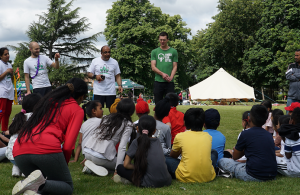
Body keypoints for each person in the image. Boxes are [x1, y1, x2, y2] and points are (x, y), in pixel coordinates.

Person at [12, 78, 88, 195]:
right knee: (67, 187)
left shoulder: (48, 101)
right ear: (82, 97)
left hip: (19, 148)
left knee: (45, 183)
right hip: (46, 147)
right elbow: (68, 146)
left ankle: (34, 189)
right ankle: (39, 185)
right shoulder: (77, 110)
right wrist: (64, 166)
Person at [218, 105, 277, 181]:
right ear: (265, 121)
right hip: (272, 175)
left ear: (249, 118)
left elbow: (235, 157)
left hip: (253, 175)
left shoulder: (245, 133)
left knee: (222, 161)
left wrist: (240, 150)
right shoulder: (269, 135)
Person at [83, 98, 135, 177]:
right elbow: (122, 147)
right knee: (124, 165)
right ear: (131, 112)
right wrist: (117, 170)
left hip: (87, 152)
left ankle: (92, 167)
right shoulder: (128, 124)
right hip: (100, 156)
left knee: (113, 163)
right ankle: (96, 168)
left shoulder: (106, 117)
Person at [116, 115, 172, 187]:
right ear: (154, 131)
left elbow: (126, 165)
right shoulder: (157, 141)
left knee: (120, 168)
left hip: (148, 182)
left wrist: (140, 167)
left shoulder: (136, 142)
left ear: (138, 129)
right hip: (166, 180)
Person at [165, 108, 217, 183]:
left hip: (185, 176)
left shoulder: (180, 136)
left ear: (185, 122)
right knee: (214, 152)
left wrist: (181, 150)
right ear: (203, 123)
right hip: (208, 176)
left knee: (165, 158)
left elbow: (173, 156)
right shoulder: (208, 136)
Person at [5, 94, 41, 177]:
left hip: (11, 155)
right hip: (24, 155)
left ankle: (16, 168)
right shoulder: (36, 118)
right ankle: (26, 170)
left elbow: (10, 130)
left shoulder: (18, 117)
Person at [87, 45, 123, 111]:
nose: (108, 54)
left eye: (109, 52)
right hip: (98, 91)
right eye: (105, 52)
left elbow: (117, 76)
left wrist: (120, 85)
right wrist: (95, 76)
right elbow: (89, 74)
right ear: (101, 53)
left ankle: (113, 122)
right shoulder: (95, 61)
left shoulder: (114, 62)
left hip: (111, 91)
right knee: (97, 111)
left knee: (113, 112)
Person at [151, 32, 178, 104]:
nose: (162, 41)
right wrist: (162, 74)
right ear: (159, 40)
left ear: (167, 40)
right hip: (158, 82)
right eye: (161, 40)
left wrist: (171, 77)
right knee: (158, 104)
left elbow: (175, 66)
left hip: (169, 82)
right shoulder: (154, 52)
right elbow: (153, 67)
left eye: (164, 40)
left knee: (171, 104)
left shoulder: (173, 51)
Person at [277, 107, 300, 177]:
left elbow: (287, 155)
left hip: (295, 171)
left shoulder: (291, 136)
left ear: (292, 121)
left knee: (272, 159)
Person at [0, 47, 14, 132]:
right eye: (5, 54)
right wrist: (6, 72)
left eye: (8, 53)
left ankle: (4, 130)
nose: (7, 55)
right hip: (2, 91)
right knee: (2, 112)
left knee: (8, 112)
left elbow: (10, 79)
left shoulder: (9, 64)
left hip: (9, 90)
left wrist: (11, 74)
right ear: (0, 56)